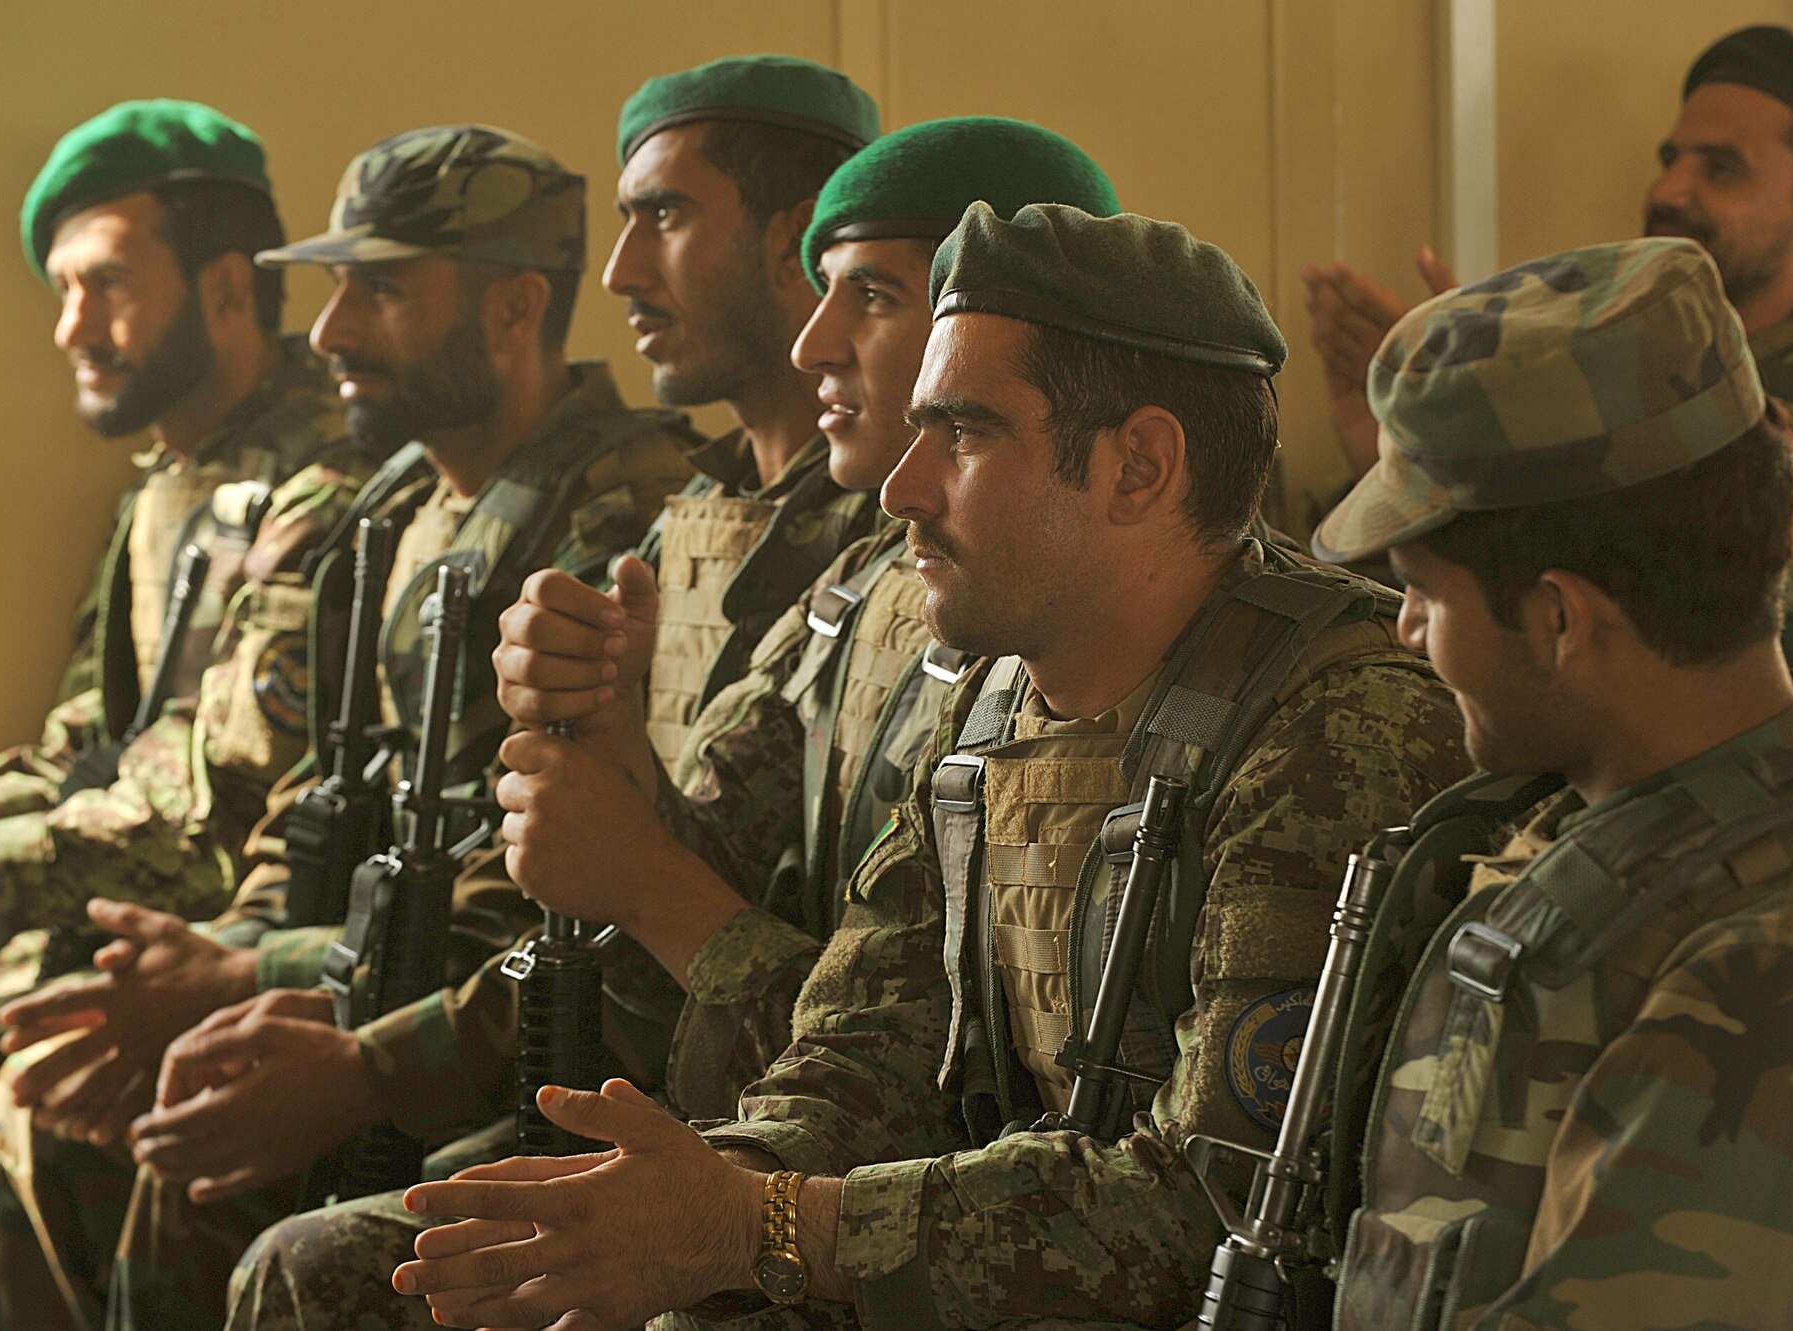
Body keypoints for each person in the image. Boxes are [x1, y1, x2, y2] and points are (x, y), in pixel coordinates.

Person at [392, 203, 1469, 1330]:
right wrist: (703, 1185)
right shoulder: (993, 697)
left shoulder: (1336, 729)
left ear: (1139, 467)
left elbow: (1207, 1208)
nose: (899, 487)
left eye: (962, 433)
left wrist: (757, 1223)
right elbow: (872, 1043)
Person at [217, 115, 1121, 1331]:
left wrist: (638, 882)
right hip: (788, 1143)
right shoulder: (857, 594)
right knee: (321, 1258)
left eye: (868, 294)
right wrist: (605, 745)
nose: (811, 341)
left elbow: (933, 1068)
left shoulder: (1055, 622)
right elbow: (694, 856)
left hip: (912, 1216)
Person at [0, 124, 700, 1331]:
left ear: (512, 310)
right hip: (368, 979)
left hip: (513, 1032)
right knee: (88, 1108)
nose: (331, 330)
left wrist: (260, 980)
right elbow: (320, 793)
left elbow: (549, 889)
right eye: (336, 286)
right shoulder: (398, 502)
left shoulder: (621, 516)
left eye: (380, 291)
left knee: (193, 1170)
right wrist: (222, 962)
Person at [0, 99, 393, 1331]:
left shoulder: (321, 491)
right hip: (85, 910)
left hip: (192, 942)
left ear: (229, 288)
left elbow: (210, 826)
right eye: (63, 290)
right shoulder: (166, 488)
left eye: (107, 284)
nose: (71, 325)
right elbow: (99, 740)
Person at [1309, 236, 1793, 1328]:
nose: (1407, 631)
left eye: (1422, 592)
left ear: (1557, 618)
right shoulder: (1611, 823)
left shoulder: (1760, 976)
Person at [1305, 25, 1793, 663]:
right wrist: (1407, 456)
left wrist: (1488, 427)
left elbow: (1676, 603)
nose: (1665, 191)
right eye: (1671, 160)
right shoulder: (1640, 357)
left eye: (1721, 169)